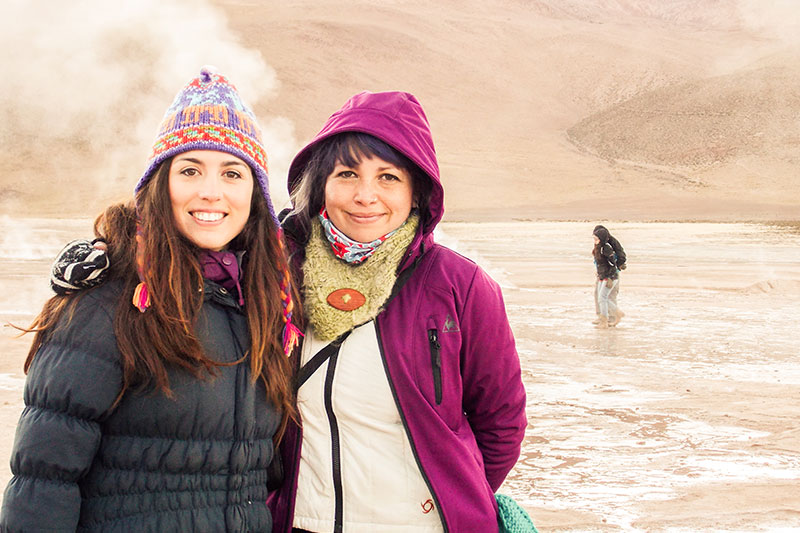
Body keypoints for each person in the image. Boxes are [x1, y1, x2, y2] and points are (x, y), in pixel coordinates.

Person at [42, 91, 529, 532]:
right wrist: (112, 257)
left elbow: (501, 422)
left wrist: (447, 493)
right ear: (319, 185)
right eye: (347, 175)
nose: (366, 195)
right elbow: (197, 241)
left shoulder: (460, 287)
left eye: (388, 177)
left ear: (417, 192)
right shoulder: (275, 268)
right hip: (300, 523)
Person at [0, 67, 300, 532]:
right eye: (190, 170)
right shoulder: (110, 299)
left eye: (233, 172)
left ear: (255, 194)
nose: (211, 191)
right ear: (161, 184)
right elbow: (44, 480)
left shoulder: (262, 303)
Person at [592, 225, 625, 328]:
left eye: (595, 237)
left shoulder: (608, 246)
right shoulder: (599, 245)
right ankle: (602, 316)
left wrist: (617, 267)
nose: (594, 239)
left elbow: (617, 259)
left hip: (610, 274)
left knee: (608, 296)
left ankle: (612, 317)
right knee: (599, 295)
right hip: (602, 273)